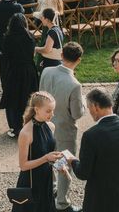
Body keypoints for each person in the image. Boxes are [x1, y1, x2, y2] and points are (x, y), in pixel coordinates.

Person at [68, 88, 119, 212]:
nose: (89, 111)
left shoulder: (91, 135)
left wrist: (72, 161)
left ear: (95, 106)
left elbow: (83, 173)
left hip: (100, 197)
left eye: (89, 108)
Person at [39, 42, 85, 212]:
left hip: (45, 126)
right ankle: (62, 202)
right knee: (65, 164)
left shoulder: (46, 71)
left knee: (49, 160)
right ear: (78, 60)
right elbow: (76, 114)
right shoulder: (74, 84)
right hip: (65, 129)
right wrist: (85, 103)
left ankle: (51, 190)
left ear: (62, 55)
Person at [12, 91, 62, 212]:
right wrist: (46, 158)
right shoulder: (25, 133)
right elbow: (23, 166)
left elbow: (51, 154)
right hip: (31, 181)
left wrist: (61, 165)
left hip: (46, 179)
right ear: (37, 109)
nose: (52, 114)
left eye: (53, 110)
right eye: (48, 111)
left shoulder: (51, 127)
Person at [0, 13, 38, 139]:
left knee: (13, 99)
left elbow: (6, 57)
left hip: (15, 72)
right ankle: (29, 125)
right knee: (28, 98)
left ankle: (15, 127)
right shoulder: (30, 36)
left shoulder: (8, 38)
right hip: (29, 70)